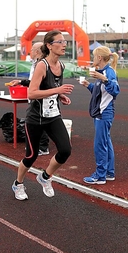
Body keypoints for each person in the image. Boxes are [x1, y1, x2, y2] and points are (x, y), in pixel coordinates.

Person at [11, 30, 74, 200]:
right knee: (31, 156)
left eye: (65, 42)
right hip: (36, 118)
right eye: (59, 42)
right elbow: (32, 93)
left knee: (65, 150)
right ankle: (18, 184)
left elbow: (49, 88)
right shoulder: (42, 65)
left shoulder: (61, 66)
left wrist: (60, 95)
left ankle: (45, 177)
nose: (64, 45)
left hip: (53, 115)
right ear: (49, 46)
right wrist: (58, 90)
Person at [81, 46, 120, 185]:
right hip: (101, 112)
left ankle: (100, 175)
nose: (92, 59)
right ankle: (109, 172)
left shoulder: (108, 73)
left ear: (99, 58)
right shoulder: (100, 72)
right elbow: (101, 92)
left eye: (93, 56)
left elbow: (115, 90)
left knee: (100, 145)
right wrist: (88, 85)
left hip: (104, 113)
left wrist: (104, 79)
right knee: (106, 142)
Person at [8, 41, 50, 156]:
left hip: (39, 98)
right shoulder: (35, 63)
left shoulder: (41, 64)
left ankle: (42, 147)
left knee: (39, 123)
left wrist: (22, 82)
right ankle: (38, 146)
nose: (30, 52)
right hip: (35, 97)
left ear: (36, 51)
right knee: (37, 122)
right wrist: (21, 82)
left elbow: (37, 82)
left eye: (31, 50)